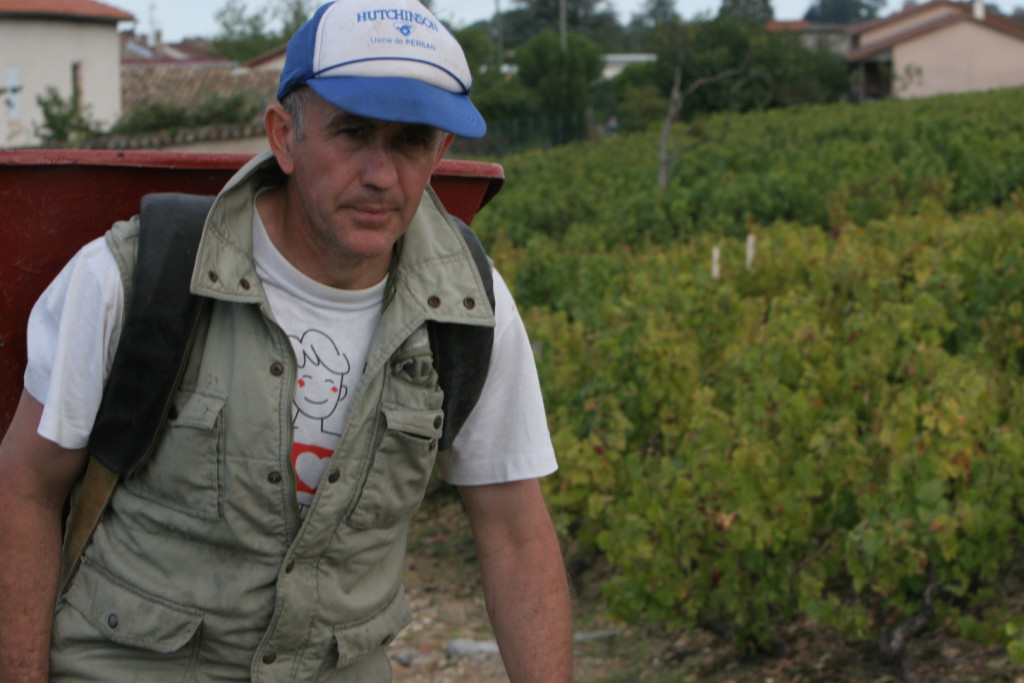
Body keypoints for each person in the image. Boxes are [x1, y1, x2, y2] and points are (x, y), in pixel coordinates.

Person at [0, 0, 573, 680]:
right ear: (284, 135)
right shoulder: (134, 275)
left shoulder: (469, 306)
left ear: (441, 152)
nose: (380, 174)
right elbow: (25, 490)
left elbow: (515, 533)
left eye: (411, 140)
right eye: (352, 132)